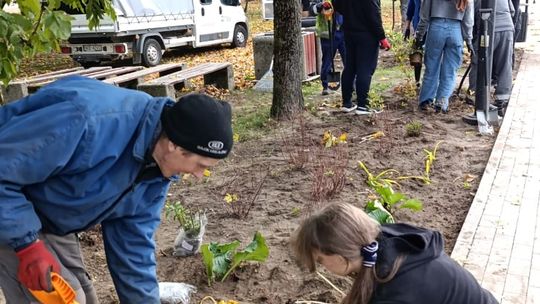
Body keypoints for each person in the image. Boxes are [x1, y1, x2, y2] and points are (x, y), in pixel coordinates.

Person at [0, 76, 233, 303]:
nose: (199, 175)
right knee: (59, 298)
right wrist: (28, 245)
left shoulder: (154, 170)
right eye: (200, 165)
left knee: (82, 296)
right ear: (174, 146)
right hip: (9, 201)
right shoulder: (87, 121)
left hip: (47, 211)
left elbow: (133, 250)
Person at [290, 202, 500, 304]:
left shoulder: (395, 289)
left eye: (320, 260)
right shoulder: (388, 241)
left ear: (338, 255)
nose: (323, 268)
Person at [415, 0, 474, 113]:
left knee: (431, 68)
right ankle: (442, 102)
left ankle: (426, 101)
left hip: (436, 27)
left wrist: (419, 35)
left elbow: (424, 15)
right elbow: (468, 19)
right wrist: (469, 40)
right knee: (450, 70)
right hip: (456, 30)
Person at [333, 0, 391, 115]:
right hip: (367, 34)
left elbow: (336, 4)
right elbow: (373, 14)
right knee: (365, 68)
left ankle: (347, 103)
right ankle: (362, 105)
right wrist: (382, 37)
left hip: (349, 31)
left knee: (350, 67)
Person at [468, 0, 515, 117]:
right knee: (505, 64)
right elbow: (512, 11)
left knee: (479, 62)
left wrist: (471, 39)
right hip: (507, 28)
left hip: (488, 30)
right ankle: (502, 100)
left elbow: (470, 17)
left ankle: (475, 95)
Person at [309, 0, 346, 95]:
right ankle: (326, 85)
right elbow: (311, 9)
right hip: (328, 34)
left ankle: (352, 84)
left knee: (349, 60)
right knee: (327, 61)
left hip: (344, 31)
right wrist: (320, 6)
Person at [404, 0, 423, 86]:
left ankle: (431, 82)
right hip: (417, 28)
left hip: (432, 28)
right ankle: (417, 81)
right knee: (416, 56)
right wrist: (407, 28)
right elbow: (410, 11)